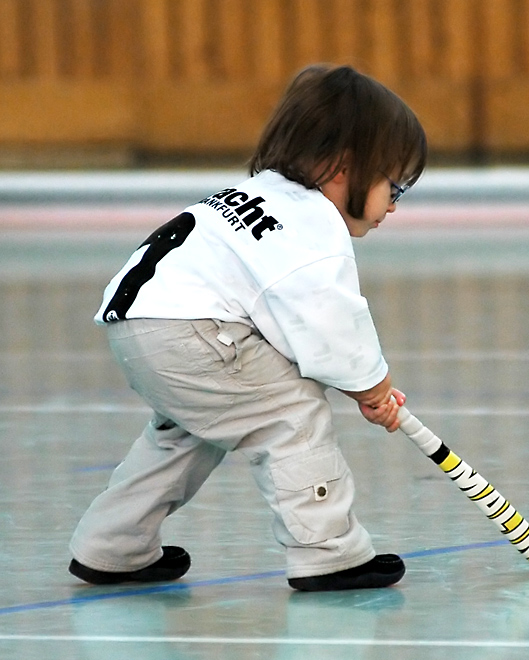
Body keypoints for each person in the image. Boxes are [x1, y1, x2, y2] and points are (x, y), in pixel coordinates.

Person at [68, 63, 427, 592]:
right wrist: (371, 387)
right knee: (291, 411)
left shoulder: (259, 194)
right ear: (343, 168)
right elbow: (329, 323)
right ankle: (329, 553)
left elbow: (276, 320)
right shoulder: (311, 223)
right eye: (393, 186)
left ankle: (111, 545)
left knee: (187, 433)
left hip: (137, 328)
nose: (394, 206)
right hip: (191, 329)